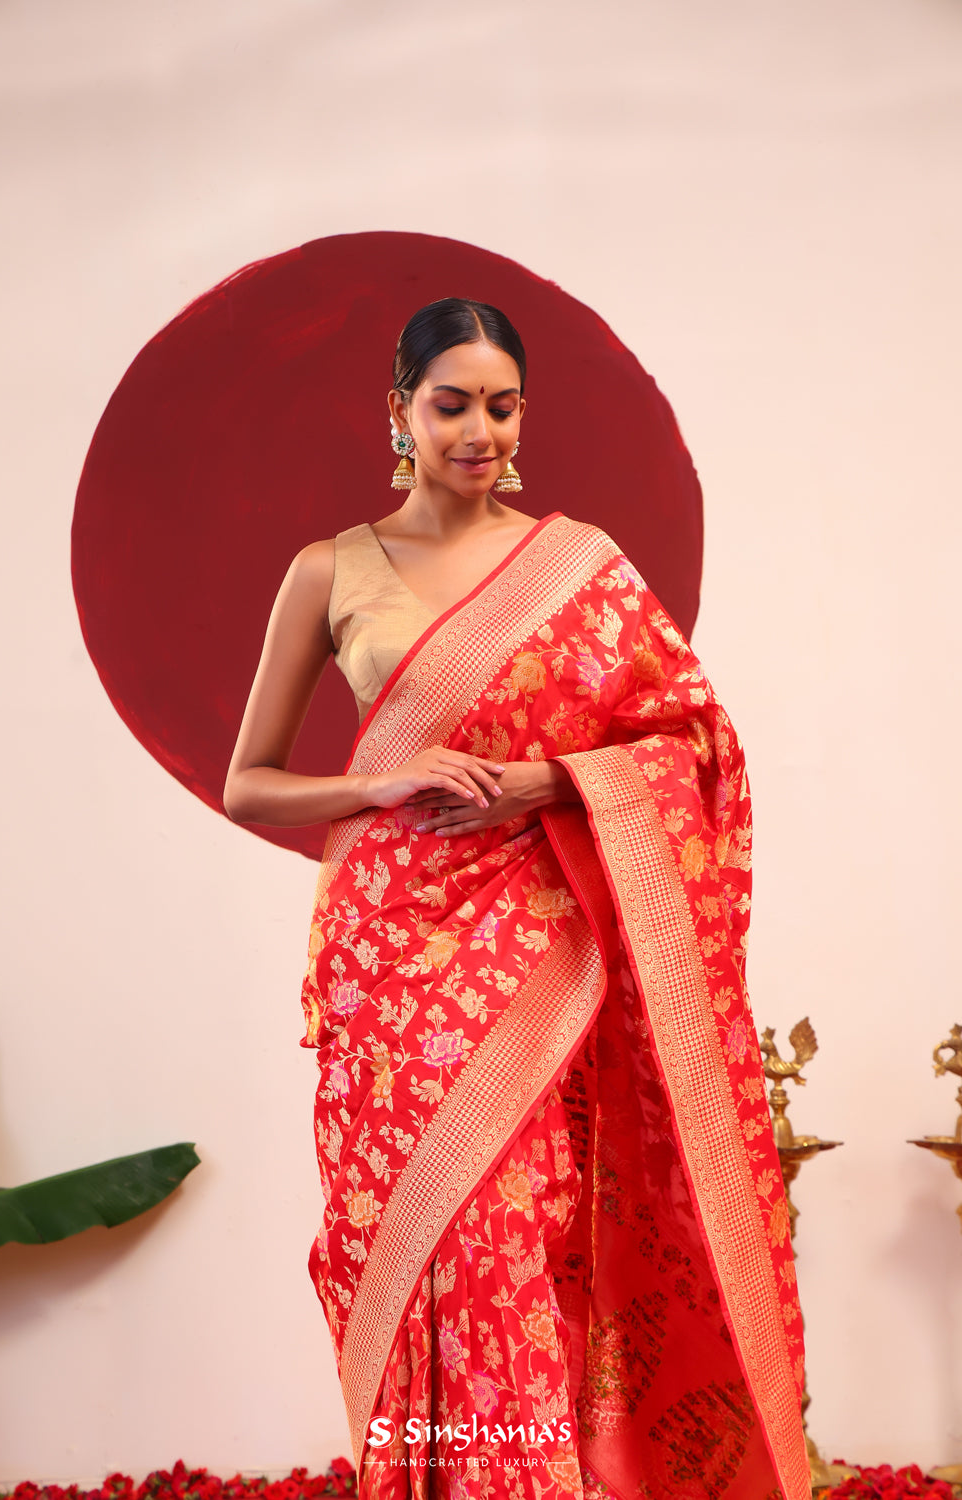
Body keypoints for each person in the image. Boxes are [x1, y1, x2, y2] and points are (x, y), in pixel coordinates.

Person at [223, 298, 810, 1500]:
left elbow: (693, 747)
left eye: (501, 406)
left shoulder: (577, 566)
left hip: (543, 938)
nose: (478, 430)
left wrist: (546, 784)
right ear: (399, 410)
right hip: (391, 954)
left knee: (521, 1228)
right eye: (451, 404)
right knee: (420, 1236)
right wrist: (381, 783)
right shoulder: (328, 570)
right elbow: (250, 785)